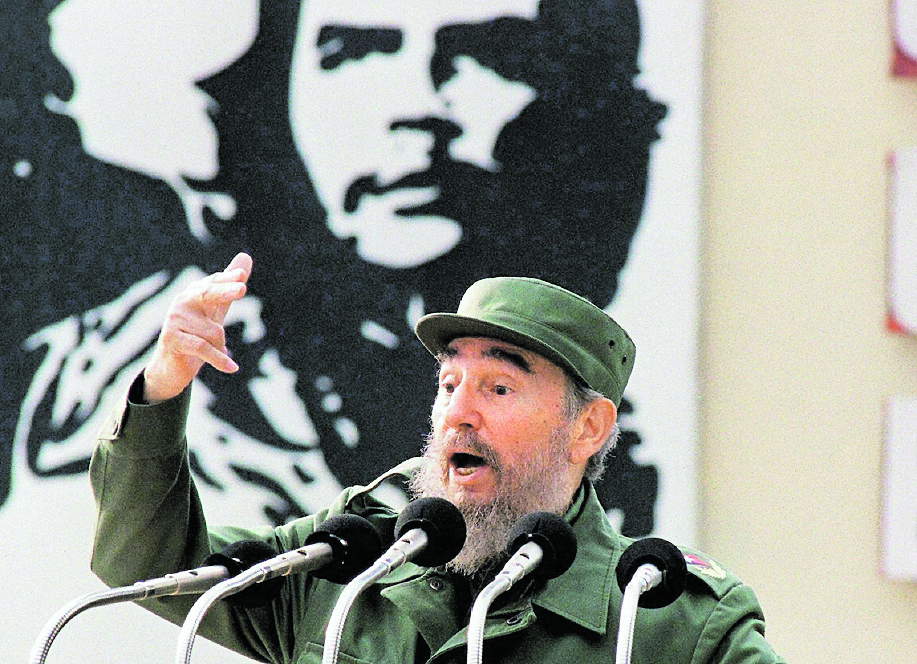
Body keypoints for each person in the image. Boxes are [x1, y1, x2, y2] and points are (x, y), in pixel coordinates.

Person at [90, 253, 784, 663]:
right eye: (449, 383)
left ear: (587, 428)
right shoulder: (349, 566)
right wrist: (165, 381)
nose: (457, 410)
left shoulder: (668, 619)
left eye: (498, 386)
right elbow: (150, 566)